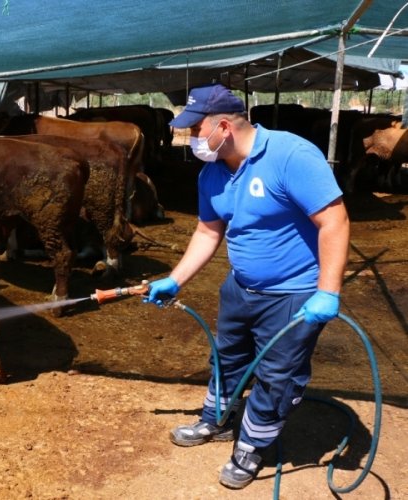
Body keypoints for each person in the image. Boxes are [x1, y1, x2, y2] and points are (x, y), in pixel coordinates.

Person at [145, 83, 350, 489]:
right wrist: (175, 278)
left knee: (278, 376)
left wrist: (328, 291)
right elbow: (208, 231)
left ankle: (252, 445)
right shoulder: (212, 173)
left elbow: (335, 221)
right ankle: (217, 421)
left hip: (293, 294)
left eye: (195, 130)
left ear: (223, 126)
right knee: (227, 358)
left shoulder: (291, 156)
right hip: (239, 288)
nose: (191, 140)